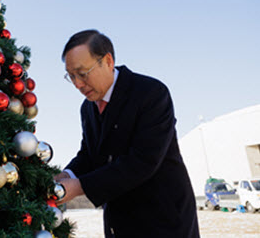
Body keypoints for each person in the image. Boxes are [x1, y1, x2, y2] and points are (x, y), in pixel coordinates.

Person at [54, 30, 199, 237]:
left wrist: (79, 186)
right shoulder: (87, 108)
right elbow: (89, 155)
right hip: (119, 222)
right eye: (71, 77)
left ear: (108, 61)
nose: (77, 84)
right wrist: (66, 175)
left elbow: (143, 161)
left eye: (83, 73)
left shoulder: (150, 93)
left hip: (163, 220)